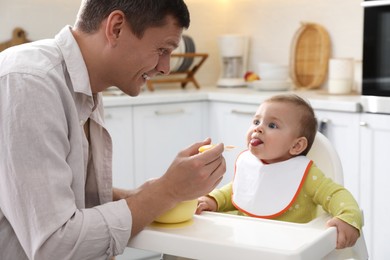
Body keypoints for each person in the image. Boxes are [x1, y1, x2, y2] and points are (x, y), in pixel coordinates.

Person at [0, 0, 226, 259]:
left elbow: (67, 195)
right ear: (116, 28)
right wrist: (165, 192)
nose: (165, 67)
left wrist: (145, 193)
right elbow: (54, 244)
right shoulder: (29, 83)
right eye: (162, 49)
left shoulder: (85, 85)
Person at [196, 94, 362, 249]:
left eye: (272, 125)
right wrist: (213, 200)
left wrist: (348, 217)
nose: (258, 129)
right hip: (244, 245)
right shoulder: (251, 165)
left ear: (296, 146)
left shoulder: (306, 174)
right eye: (256, 122)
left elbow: (336, 195)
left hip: (288, 249)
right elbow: (236, 191)